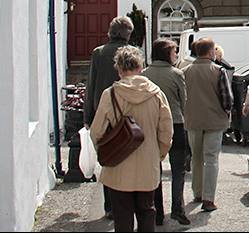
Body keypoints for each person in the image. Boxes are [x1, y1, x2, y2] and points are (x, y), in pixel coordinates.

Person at [90, 45, 173, 233]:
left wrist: (105, 153)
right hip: (147, 162)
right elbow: (166, 132)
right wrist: (158, 154)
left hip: (118, 165)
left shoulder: (110, 95)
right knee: (147, 212)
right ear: (140, 68)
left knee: (122, 217)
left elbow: (97, 132)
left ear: (119, 70)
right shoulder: (156, 94)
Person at [85, 15, 134, 219]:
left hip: (104, 113)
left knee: (108, 158)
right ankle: (126, 204)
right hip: (129, 114)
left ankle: (110, 206)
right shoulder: (132, 53)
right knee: (129, 157)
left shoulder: (99, 53)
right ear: (127, 34)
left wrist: (88, 117)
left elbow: (91, 85)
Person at [142, 39, 190, 226]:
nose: (176, 55)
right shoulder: (177, 74)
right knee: (178, 168)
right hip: (175, 124)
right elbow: (183, 101)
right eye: (174, 52)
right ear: (166, 54)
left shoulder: (145, 74)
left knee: (155, 168)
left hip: (152, 124)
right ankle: (178, 208)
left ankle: (157, 212)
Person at [182, 38, 233, 213]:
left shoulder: (185, 71)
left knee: (196, 157)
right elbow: (227, 98)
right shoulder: (218, 71)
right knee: (211, 159)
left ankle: (197, 192)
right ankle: (208, 198)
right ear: (211, 52)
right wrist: (227, 111)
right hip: (214, 119)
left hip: (193, 119)